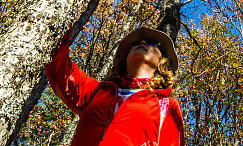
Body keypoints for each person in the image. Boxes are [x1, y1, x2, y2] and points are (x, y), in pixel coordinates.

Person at [45, 26, 184, 146]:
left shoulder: (167, 105)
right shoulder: (98, 91)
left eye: (153, 43)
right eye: (135, 44)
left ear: (163, 62)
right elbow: (60, 67)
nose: (142, 42)